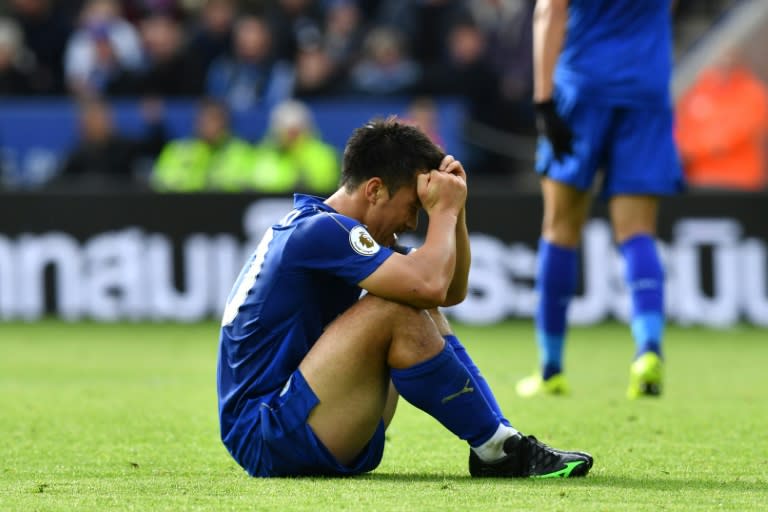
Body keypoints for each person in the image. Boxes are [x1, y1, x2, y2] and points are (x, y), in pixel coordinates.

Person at [216, 117, 593, 478]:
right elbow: (429, 284)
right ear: (375, 190)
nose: (413, 223)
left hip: (297, 421)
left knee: (410, 295)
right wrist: (442, 210)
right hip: (267, 434)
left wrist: (455, 212)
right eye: (414, 207)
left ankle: (499, 444)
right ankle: (498, 450)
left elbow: (447, 293)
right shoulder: (319, 231)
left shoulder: (326, 229)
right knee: (394, 306)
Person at [515, 0, 684, 399]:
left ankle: (550, 368)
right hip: (647, 86)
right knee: (638, 230)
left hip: (584, 85)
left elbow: (550, 11)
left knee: (560, 228)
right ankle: (647, 350)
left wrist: (543, 100)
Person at [675, 49, 768, 191]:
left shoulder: (752, 92)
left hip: (740, 182)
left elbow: (728, 136)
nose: (723, 63)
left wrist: (697, 148)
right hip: (700, 180)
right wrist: (690, 148)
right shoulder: (698, 91)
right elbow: (681, 131)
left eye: (729, 57)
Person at [151, 98, 253, 192]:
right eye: (203, 119)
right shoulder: (176, 150)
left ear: (226, 122)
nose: (207, 125)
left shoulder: (242, 151)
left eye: (214, 119)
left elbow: (245, 184)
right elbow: (161, 182)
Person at [248, 99, 339, 195]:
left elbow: (324, 186)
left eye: (294, 130)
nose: (289, 135)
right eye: (284, 129)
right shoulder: (262, 154)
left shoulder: (323, 155)